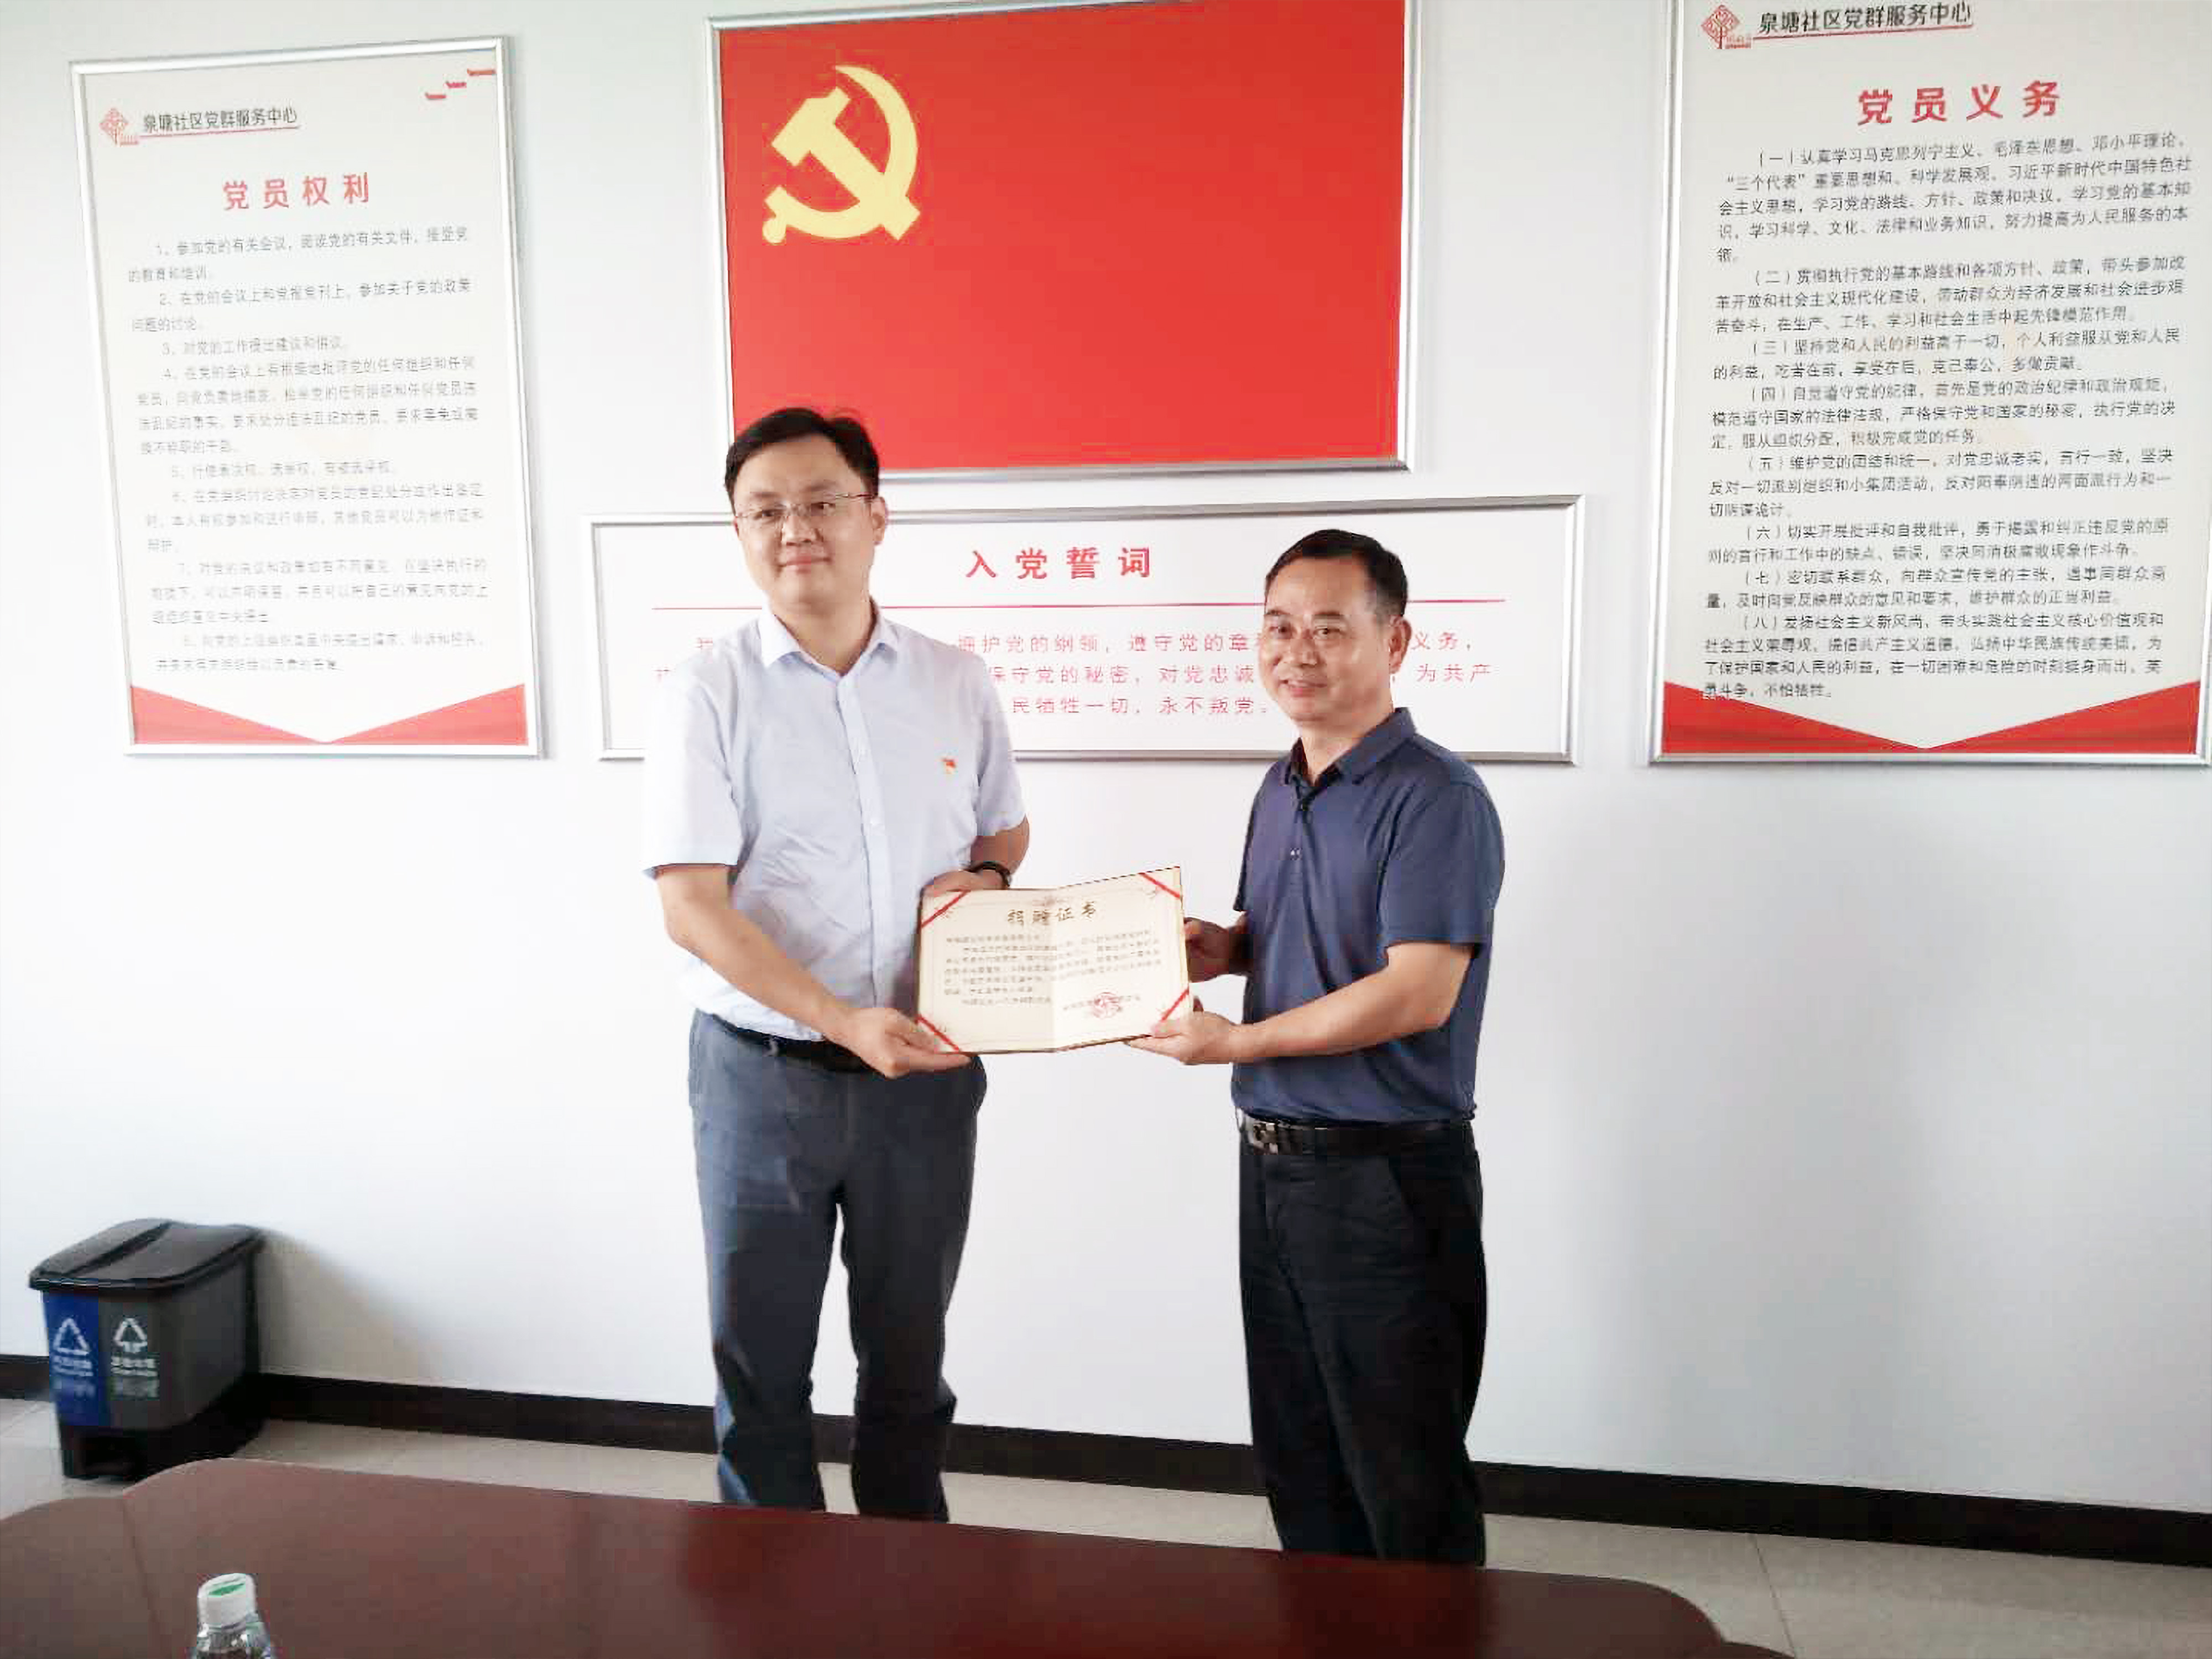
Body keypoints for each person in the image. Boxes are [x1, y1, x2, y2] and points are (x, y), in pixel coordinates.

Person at [641, 406, 1029, 1520]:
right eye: (764, 511)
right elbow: (691, 907)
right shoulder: (706, 691)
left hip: (925, 1077)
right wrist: (838, 1016)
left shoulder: (955, 679)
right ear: (739, 533)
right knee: (761, 1361)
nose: (794, 529)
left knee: (909, 1356)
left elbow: (1002, 831)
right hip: (762, 1077)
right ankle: (774, 1586)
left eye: (821, 502)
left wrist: (987, 881)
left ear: (876, 516)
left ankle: (905, 1569)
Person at [1132, 528, 1503, 1564]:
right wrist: (1220, 949)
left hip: (1385, 1180)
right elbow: (1286, 935)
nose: (1296, 651)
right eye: (1278, 627)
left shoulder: (1436, 797)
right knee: (1302, 1458)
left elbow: (1418, 992)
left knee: (1403, 1473)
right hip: (1274, 1168)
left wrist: (1239, 1043)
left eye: (1330, 629)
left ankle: (1432, 1638)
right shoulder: (1281, 783)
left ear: (1397, 642)